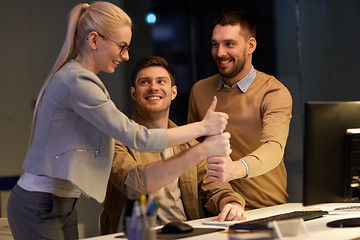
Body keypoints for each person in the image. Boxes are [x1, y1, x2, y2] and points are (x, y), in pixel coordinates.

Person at [6, 3, 230, 240]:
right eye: (122, 46)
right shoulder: (78, 82)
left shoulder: (82, 80)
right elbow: (138, 140)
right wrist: (204, 129)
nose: (125, 55)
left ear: (174, 92)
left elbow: (212, 184)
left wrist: (228, 197)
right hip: (41, 204)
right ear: (94, 40)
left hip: (61, 202)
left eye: (161, 82)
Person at [100, 56, 246, 235]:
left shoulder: (188, 142)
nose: (153, 87)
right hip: (136, 236)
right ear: (133, 93)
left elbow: (215, 186)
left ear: (174, 92)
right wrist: (203, 147)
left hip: (185, 233)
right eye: (144, 82)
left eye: (161, 81)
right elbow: (135, 185)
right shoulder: (115, 139)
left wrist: (231, 203)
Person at [188, 10, 293, 210]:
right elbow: (194, 154)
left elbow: (274, 148)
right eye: (215, 44)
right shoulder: (200, 91)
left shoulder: (273, 91)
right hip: (217, 212)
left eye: (229, 44)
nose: (220, 53)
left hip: (267, 209)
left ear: (250, 46)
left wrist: (235, 169)